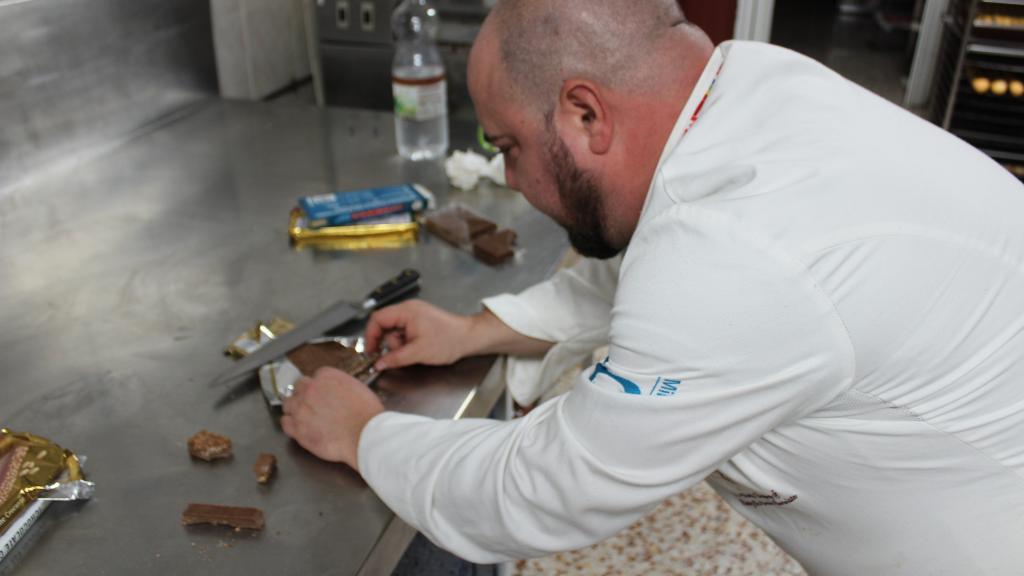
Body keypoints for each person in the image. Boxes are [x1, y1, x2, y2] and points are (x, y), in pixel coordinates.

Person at [281, 1, 1024, 573]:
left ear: (584, 114)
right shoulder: (750, 91)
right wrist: (478, 330)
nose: (507, 178)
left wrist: (363, 432)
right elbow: (659, 275)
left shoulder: (740, 252)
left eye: (508, 146)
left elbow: (549, 486)